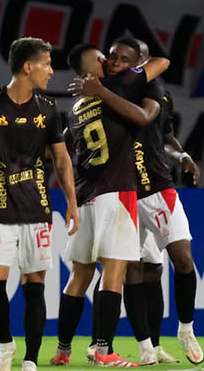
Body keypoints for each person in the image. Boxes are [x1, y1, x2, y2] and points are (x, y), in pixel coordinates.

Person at [0, 37, 79, 371]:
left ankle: (30, 359)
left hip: (37, 211)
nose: (51, 71)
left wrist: (72, 202)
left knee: (35, 288)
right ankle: (6, 343)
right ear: (27, 66)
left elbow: (62, 159)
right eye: (47, 64)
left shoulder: (48, 108)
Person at [50, 39, 169, 367]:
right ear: (93, 67)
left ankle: (62, 350)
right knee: (114, 273)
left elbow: (61, 151)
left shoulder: (76, 107)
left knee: (79, 277)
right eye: (104, 58)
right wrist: (126, 76)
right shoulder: (117, 85)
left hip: (85, 197)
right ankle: (103, 350)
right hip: (117, 193)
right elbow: (162, 62)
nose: (110, 61)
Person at [101, 39, 204, 365]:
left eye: (125, 59)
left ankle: (185, 329)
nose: (116, 63)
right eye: (113, 57)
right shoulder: (103, 91)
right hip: (124, 192)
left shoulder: (155, 90)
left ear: (140, 64)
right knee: (135, 270)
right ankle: (146, 347)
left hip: (157, 187)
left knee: (181, 258)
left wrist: (182, 155)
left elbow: (164, 135)